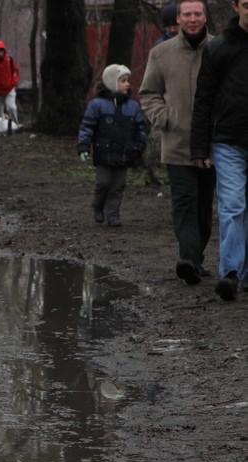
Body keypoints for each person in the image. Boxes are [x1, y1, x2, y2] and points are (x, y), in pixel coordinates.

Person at [140, 0, 214, 285]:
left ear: (205, 16)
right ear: (178, 19)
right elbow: (148, 93)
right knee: (184, 202)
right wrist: (164, 117)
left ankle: (196, 258)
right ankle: (188, 259)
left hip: (212, 144)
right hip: (177, 143)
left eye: (198, 14)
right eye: (188, 14)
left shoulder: (219, 49)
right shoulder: (161, 54)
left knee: (204, 207)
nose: (193, 19)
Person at [190, 0, 248, 301]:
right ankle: (231, 273)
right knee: (233, 205)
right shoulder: (218, 49)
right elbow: (204, 100)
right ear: (236, 6)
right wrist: (200, 146)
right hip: (227, 140)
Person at [77, 65, 147, 228]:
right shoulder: (97, 105)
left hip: (124, 153)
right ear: (111, 83)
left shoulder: (133, 107)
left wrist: (139, 146)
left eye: (127, 81)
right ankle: (98, 205)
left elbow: (141, 129)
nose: (127, 84)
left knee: (118, 186)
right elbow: (87, 127)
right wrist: (83, 146)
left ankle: (113, 215)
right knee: (103, 183)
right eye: (123, 81)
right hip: (104, 153)